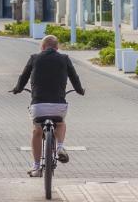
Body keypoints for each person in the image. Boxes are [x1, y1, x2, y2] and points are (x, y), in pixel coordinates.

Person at [12, 34, 85, 177]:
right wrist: (80, 91)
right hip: (58, 106)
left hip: (39, 107)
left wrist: (17, 89)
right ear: (57, 48)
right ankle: (60, 147)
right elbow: (74, 78)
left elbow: (23, 77)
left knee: (37, 131)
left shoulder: (34, 58)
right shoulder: (64, 59)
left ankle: (37, 167)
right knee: (61, 123)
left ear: (42, 47)